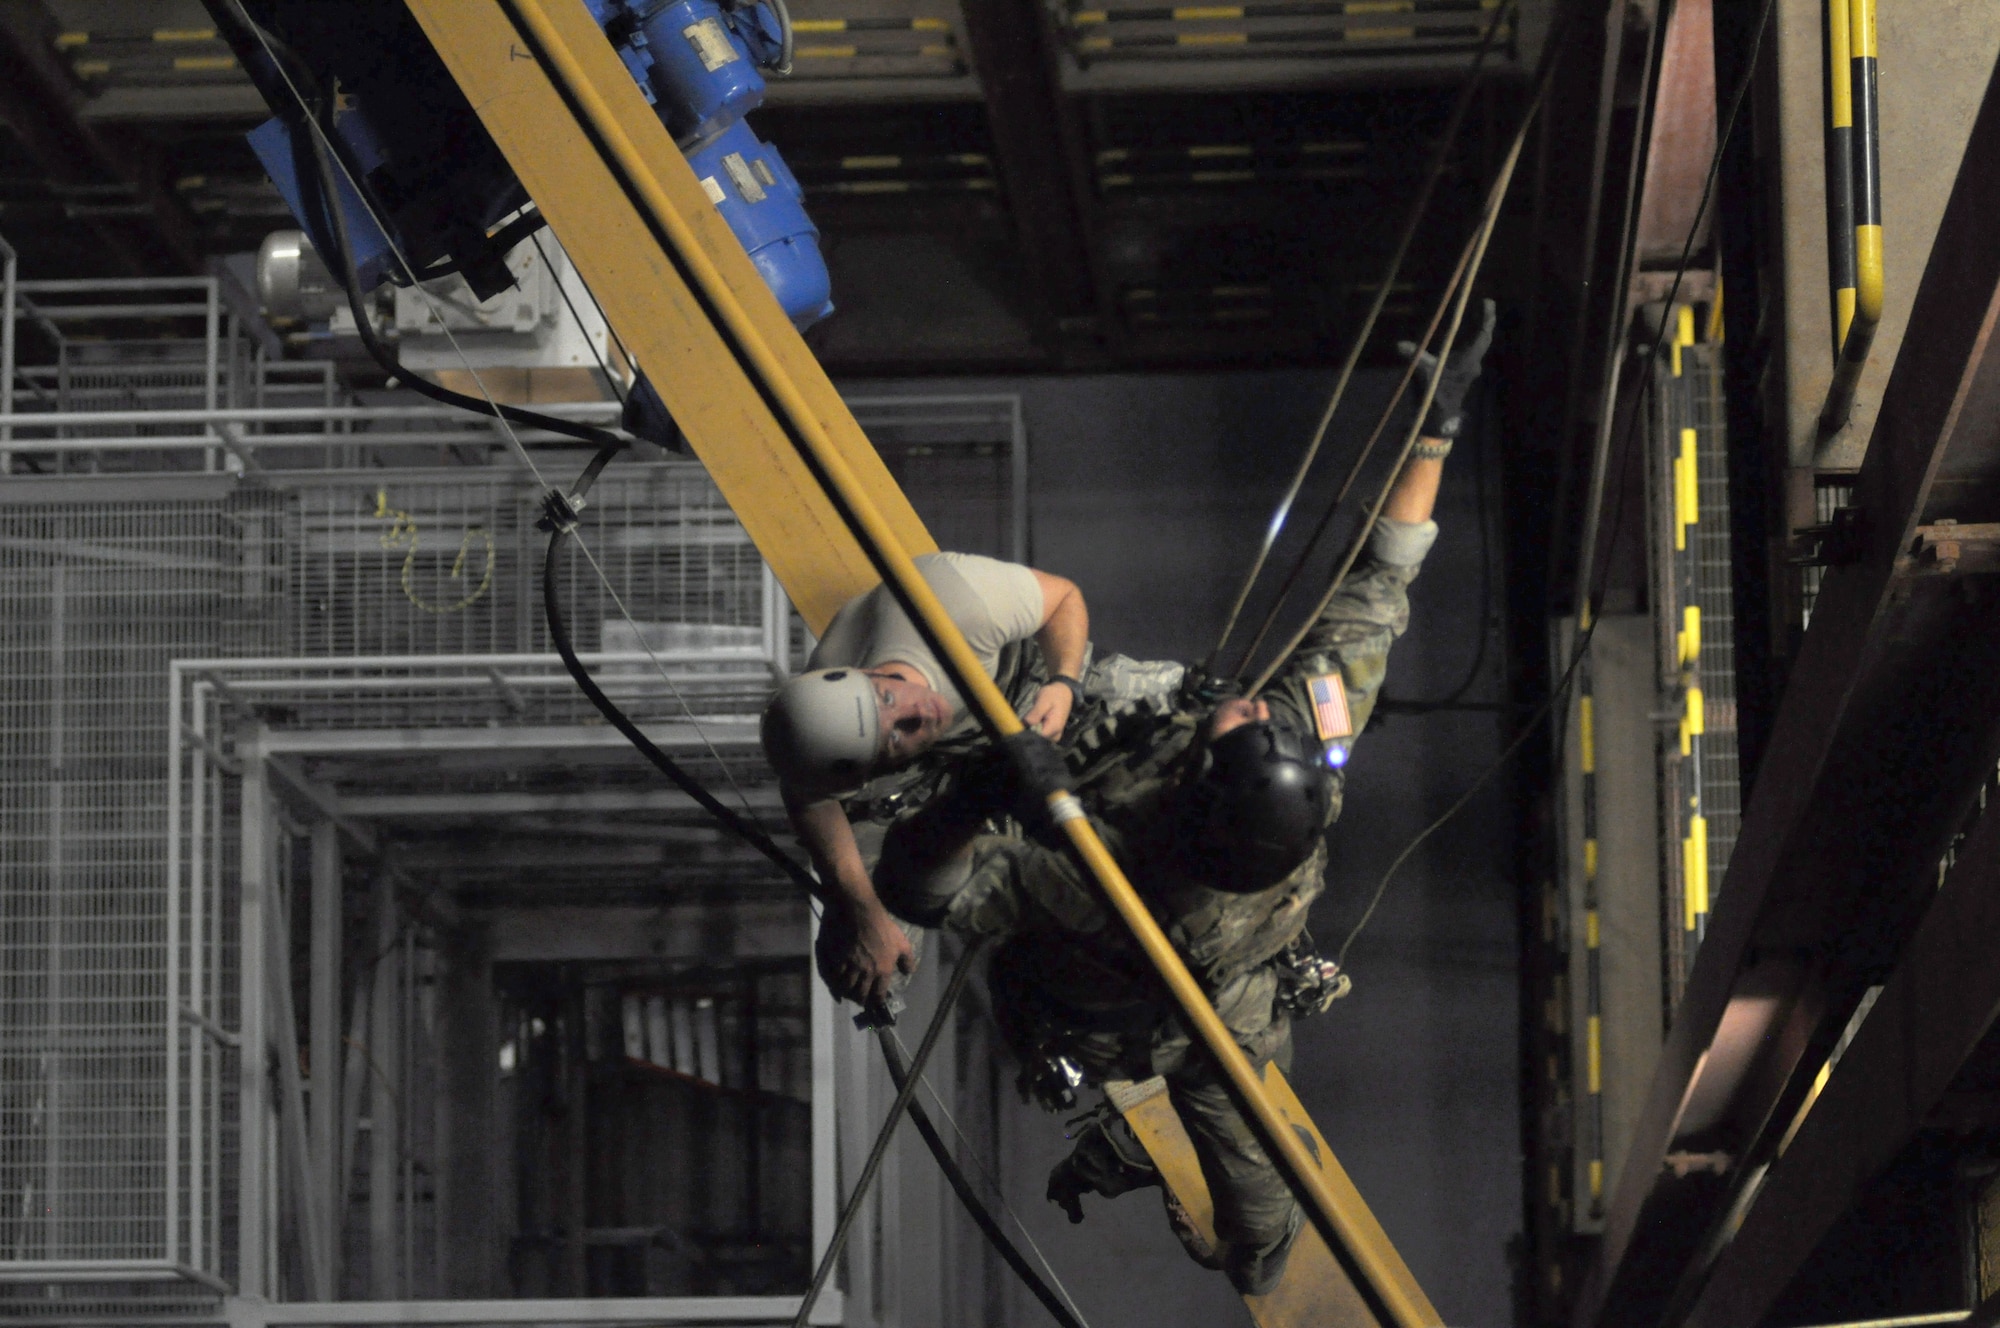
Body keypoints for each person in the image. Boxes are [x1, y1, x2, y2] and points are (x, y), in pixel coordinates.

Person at [864, 304, 1492, 1295]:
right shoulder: (1297, 762)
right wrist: (1434, 431)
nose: (1244, 705)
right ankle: (1245, 1239)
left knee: (1244, 1168)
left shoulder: (1090, 873)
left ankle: (1230, 1231)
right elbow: (1377, 585)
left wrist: (973, 795)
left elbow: (919, 890)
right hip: (1239, 992)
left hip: (1131, 1007)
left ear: (1194, 792)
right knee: (1258, 1171)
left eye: (1237, 727)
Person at [760, 552, 1101, 1007]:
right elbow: (808, 796)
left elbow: (1064, 597)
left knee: (1173, 728)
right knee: (866, 972)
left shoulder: (955, 604)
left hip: (1022, 692)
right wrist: (862, 912)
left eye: (888, 695)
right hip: (936, 767)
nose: (919, 711)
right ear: (872, 767)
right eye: (896, 735)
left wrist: (1064, 683)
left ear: (863, 671)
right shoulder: (829, 729)